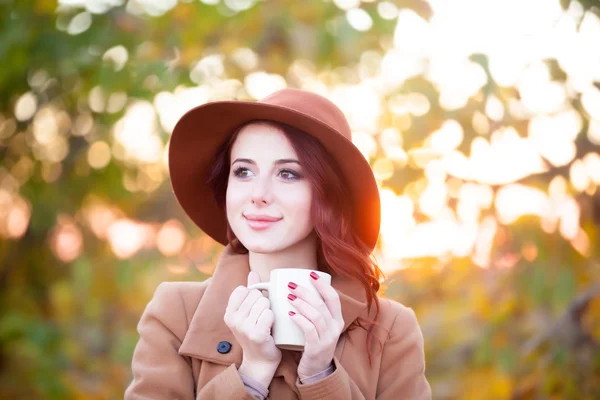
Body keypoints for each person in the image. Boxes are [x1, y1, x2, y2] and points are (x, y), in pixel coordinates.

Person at [124, 88, 431, 399]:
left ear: (329, 196)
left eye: (287, 173)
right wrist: (252, 374)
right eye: (243, 171)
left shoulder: (390, 329)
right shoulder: (176, 313)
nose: (258, 193)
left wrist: (320, 375)